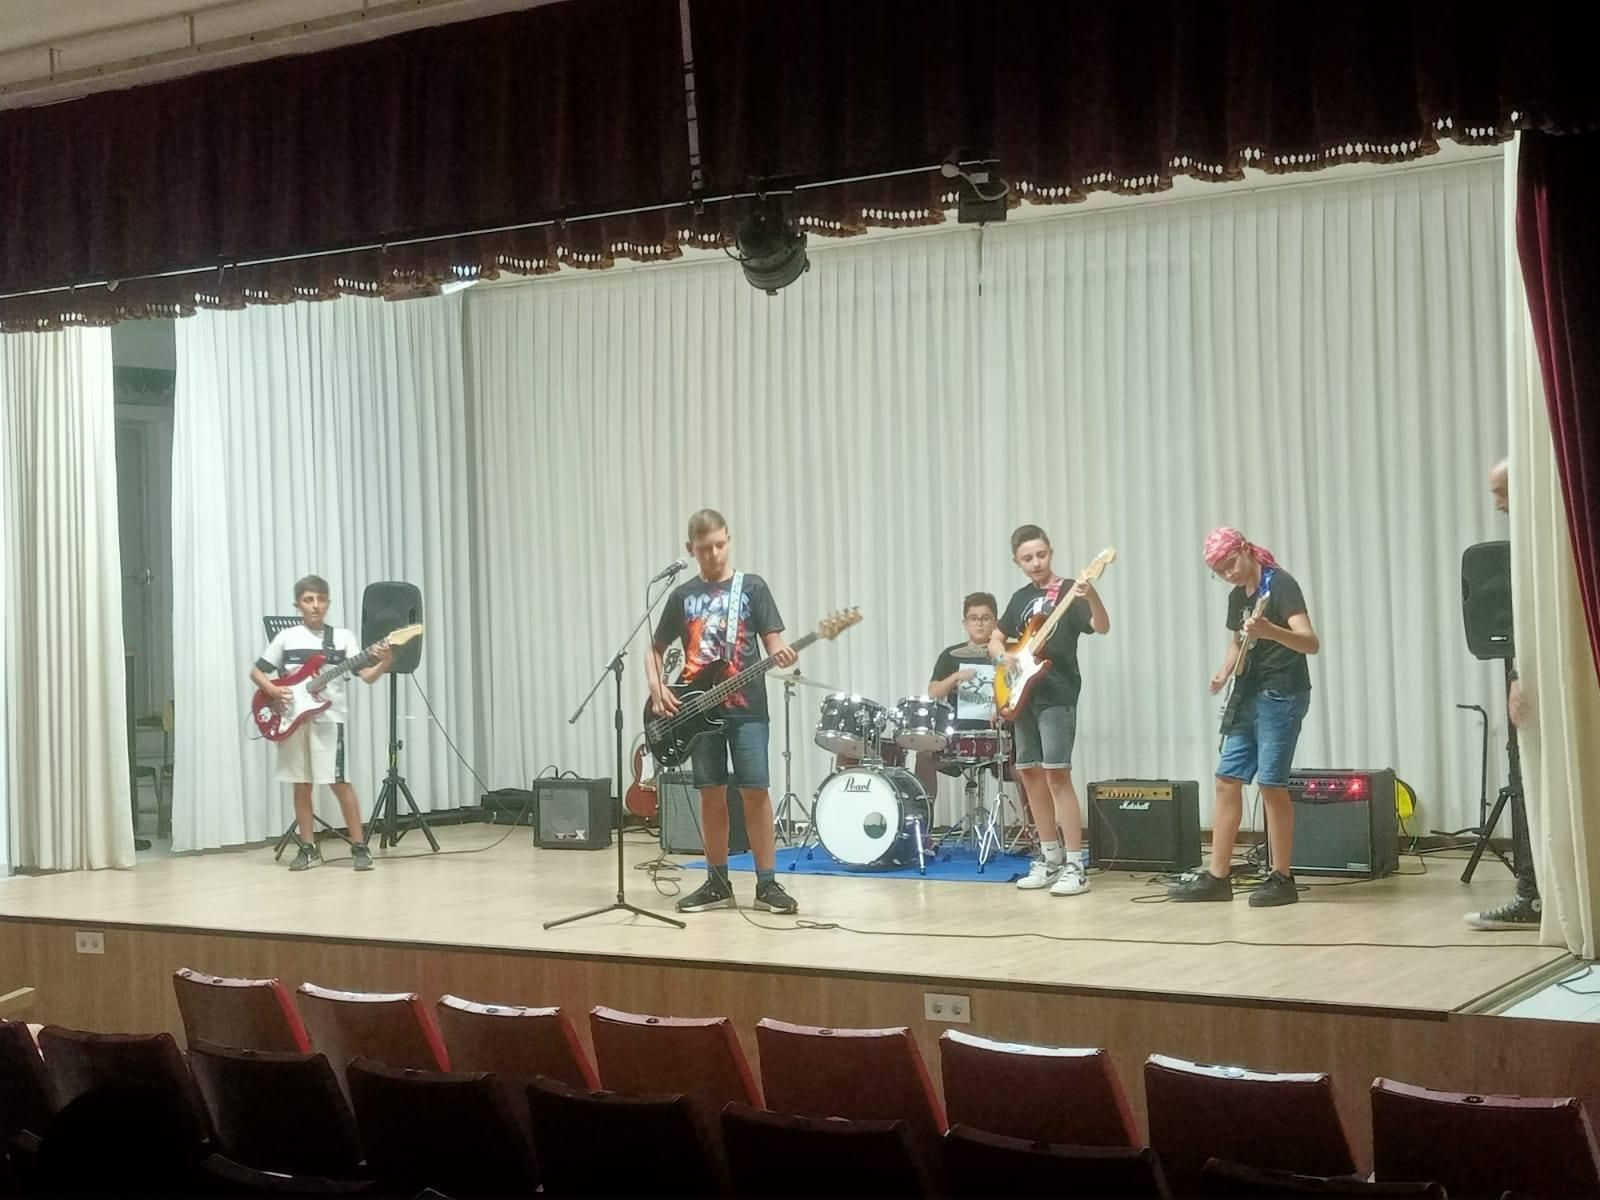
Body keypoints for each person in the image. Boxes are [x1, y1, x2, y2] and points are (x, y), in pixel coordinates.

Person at [647, 509, 800, 915]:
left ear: (729, 540)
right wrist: (658, 686)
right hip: (696, 710)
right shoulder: (682, 595)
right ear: (690, 550)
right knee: (711, 794)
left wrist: (780, 653)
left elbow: (773, 640)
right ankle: (717, 882)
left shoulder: (752, 587)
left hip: (747, 706)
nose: (713, 554)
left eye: (719, 545)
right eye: (704, 549)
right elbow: (654, 649)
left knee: (755, 791)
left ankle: (767, 884)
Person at [1169, 529, 1319, 906]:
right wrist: (1224, 671)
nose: (1230, 574)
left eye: (1231, 563)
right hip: (1248, 691)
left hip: (1282, 691)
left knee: (1271, 784)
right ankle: (1218, 876)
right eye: (1220, 571)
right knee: (1226, 779)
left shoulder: (1281, 585)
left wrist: (1271, 630)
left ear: (1247, 551)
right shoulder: (1238, 597)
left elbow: (1309, 642)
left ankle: (1283, 877)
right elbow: (1238, 639)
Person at [990, 526, 1109, 896]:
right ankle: (1049, 856)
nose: (1035, 562)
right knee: (1030, 775)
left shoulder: (1071, 590)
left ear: (1051, 552)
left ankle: (1076, 863)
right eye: (1027, 558)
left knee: (1058, 775)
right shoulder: (1020, 597)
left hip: (1057, 693)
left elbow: (1101, 627)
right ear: (1017, 561)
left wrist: (1094, 595)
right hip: (1021, 694)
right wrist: (1003, 656)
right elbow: (996, 636)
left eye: (1041, 554)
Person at [251, 575, 392, 872]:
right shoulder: (286, 638)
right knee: (301, 786)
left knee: (339, 783)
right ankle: (308, 847)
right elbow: (257, 672)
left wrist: (385, 660)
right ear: (298, 604)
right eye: (308, 600)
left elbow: (366, 676)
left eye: (320, 599)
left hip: (329, 720)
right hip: (292, 720)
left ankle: (359, 846)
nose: (315, 606)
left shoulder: (342, 638)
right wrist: (274, 691)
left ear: (328, 603)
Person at [1464, 458, 1541, 929]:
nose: (1496, 503)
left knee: (1534, 784)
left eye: (1501, 491)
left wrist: (1522, 675)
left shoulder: (1545, 541)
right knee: (1527, 782)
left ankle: (1533, 897)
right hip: (1530, 678)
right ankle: (1532, 895)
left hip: (1542, 682)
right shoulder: (1530, 540)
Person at [922, 591, 1002, 793]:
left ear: (995, 622)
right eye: (973, 618)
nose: (979, 623)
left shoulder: (1005, 654)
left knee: (1028, 764)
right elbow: (932, 693)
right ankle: (924, 818)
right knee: (924, 756)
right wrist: (955, 678)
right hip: (957, 735)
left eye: (985, 618)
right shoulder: (951, 656)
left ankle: (1032, 823)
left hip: (998, 734)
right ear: (965, 623)